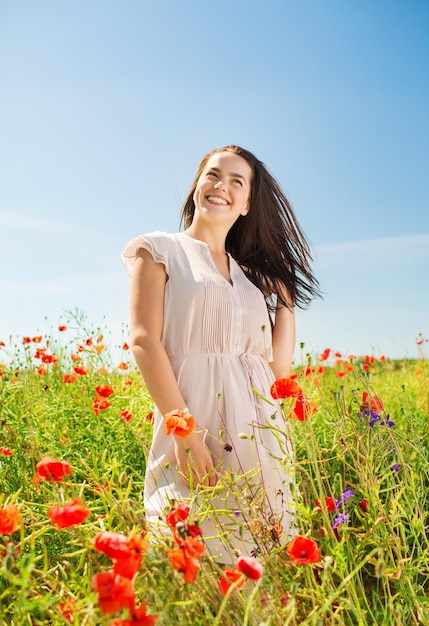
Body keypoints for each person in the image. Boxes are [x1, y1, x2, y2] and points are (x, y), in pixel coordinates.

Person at [121, 145, 320, 563]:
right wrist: (184, 433)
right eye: (213, 175)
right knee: (190, 548)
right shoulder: (158, 250)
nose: (220, 187)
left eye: (236, 181)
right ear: (197, 184)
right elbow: (144, 341)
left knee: (256, 560)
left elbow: (274, 371)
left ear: (247, 204)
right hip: (196, 422)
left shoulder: (249, 280)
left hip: (258, 432)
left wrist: (284, 298)